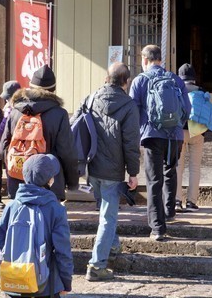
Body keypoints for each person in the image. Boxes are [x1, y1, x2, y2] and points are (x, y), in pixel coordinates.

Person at [71, 62, 140, 281]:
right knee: (108, 218)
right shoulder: (129, 105)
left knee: (105, 212)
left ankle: (113, 247)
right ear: (125, 82)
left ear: (106, 78)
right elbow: (130, 142)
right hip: (113, 169)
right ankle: (96, 265)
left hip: (92, 167)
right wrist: (134, 172)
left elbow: (75, 125)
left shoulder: (90, 99)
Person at [129, 45, 191, 241]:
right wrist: (176, 126)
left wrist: (139, 131)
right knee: (170, 171)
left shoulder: (140, 80)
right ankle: (169, 211)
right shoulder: (175, 79)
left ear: (144, 59)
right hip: (175, 135)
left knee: (154, 180)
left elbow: (133, 111)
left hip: (151, 134)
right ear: (160, 60)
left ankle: (157, 228)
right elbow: (187, 109)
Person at [0, 154, 73, 297]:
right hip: (45, 282)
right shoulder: (56, 209)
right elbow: (63, 251)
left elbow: (0, 240)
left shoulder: (11, 206)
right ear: (50, 180)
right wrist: (66, 282)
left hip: (14, 280)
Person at [0, 65, 79, 201]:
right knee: (48, 220)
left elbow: (3, 148)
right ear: (53, 89)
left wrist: (14, 168)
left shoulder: (16, 111)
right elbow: (67, 151)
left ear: (30, 87)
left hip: (19, 180)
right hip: (50, 181)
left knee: (22, 220)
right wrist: (72, 182)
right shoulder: (59, 114)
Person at [175, 63, 207, 213]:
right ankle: (191, 202)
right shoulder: (201, 91)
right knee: (195, 167)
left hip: (180, 132)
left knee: (178, 167)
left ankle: (176, 201)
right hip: (197, 132)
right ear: (194, 77)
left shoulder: (177, 90)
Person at [0, 80, 21, 199]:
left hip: (13, 148)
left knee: (13, 176)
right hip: (27, 149)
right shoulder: (28, 107)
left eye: (7, 98)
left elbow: (1, 131)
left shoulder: (10, 110)